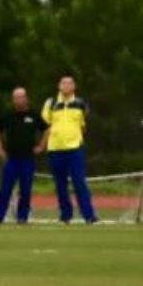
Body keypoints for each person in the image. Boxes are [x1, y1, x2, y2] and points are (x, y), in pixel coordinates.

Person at [42, 74, 97, 224]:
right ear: (59, 86)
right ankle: (66, 215)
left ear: (74, 87)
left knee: (79, 182)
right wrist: (43, 144)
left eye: (69, 83)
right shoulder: (51, 103)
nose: (66, 86)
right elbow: (45, 124)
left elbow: (84, 125)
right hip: (55, 148)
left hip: (75, 148)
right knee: (60, 184)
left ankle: (89, 215)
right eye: (63, 83)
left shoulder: (81, 103)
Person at [0, 86, 44, 225]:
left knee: (25, 189)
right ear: (13, 100)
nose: (18, 100)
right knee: (5, 189)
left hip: (28, 159)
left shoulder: (34, 115)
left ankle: (22, 217)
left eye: (21, 97)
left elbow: (47, 129)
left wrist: (41, 146)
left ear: (26, 98)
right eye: (16, 97)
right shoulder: (8, 115)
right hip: (11, 159)